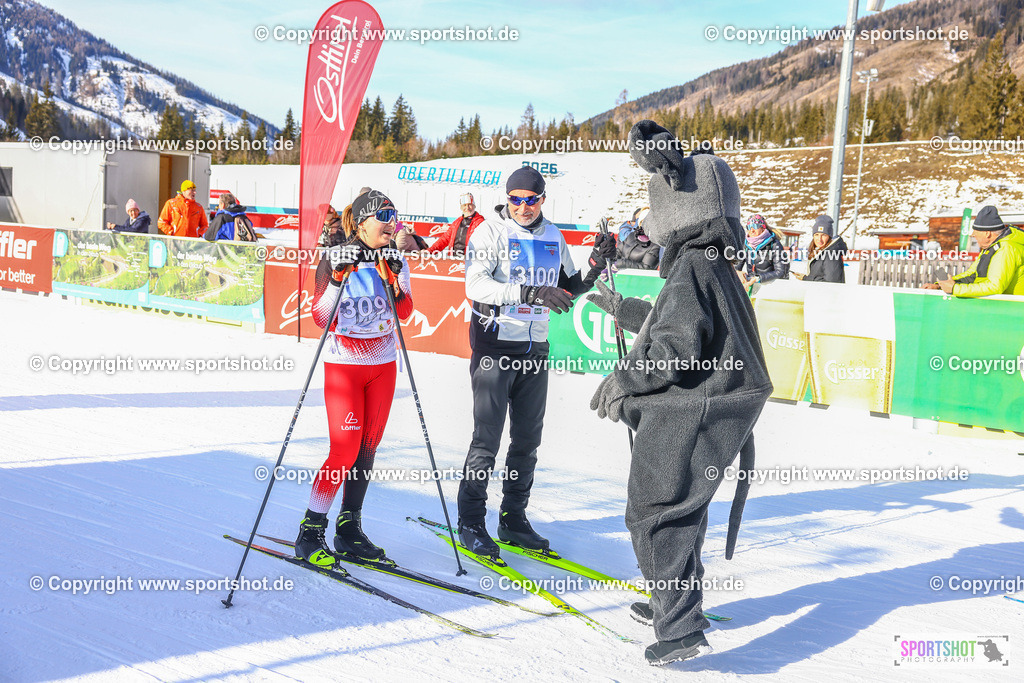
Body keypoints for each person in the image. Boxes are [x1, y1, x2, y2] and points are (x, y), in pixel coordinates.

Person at [589, 120, 771, 666]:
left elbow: (673, 352)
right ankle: (671, 597)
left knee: (655, 509)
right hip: (723, 399)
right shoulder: (712, 264)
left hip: (699, 404)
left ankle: (680, 626)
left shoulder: (693, 265)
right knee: (682, 504)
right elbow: (684, 328)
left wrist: (621, 381)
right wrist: (625, 311)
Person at [457, 166, 615, 557]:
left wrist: (594, 266)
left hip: (535, 351)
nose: (523, 206)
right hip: (495, 348)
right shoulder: (488, 231)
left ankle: (513, 518)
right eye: (516, 199)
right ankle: (471, 522)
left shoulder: (553, 234)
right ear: (507, 198)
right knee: (486, 441)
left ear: (542, 199)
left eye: (531, 199)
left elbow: (566, 288)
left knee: (527, 441)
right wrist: (529, 291)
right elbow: (475, 285)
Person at [293, 189, 414, 568]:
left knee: (366, 449)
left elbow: (405, 312)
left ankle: (349, 529)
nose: (392, 223)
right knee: (343, 450)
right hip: (345, 365)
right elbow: (319, 317)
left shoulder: (393, 257)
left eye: (395, 215)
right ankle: (309, 533)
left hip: (382, 365)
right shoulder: (335, 256)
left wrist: (394, 280)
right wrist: (336, 278)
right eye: (385, 216)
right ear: (362, 222)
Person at [926, 206, 1024, 297]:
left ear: (987, 234)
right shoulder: (990, 248)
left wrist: (955, 289)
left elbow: (995, 286)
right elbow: (972, 274)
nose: (973, 236)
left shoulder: (1006, 249)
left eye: (975, 233)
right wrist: (941, 285)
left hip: (1015, 309)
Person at [736, 214, 789, 290]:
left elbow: (780, 272)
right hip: (753, 287)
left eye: (755, 226)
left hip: (772, 288)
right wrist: (738, 272)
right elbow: (736, 266)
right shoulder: (746, 245)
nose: (752, 230)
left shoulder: (774, 244)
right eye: (749, 227)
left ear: (762, 228)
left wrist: (758, 278)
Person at [795, 215, 846, 283]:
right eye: (817, 235)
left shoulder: (831, 255)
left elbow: (831, 283)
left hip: (826, 293)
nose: (819, 239)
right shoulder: (819, 252)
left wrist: (806, 278)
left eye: (824, 235)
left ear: (829, 237)